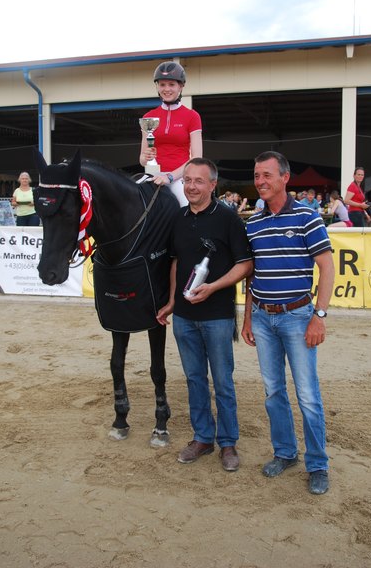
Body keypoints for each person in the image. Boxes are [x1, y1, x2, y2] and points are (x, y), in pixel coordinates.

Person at [241, 151, 335, 495]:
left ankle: (318, 463)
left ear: (285, 178)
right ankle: (285, 453)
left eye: (267, 175)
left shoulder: (308, 218)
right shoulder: (253, 223)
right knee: (273, 392)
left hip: (298, 317)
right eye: (256, 176)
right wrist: (249, 317)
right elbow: (252, 275)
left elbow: (327, 267)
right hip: (264, 319)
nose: (260, 181)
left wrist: (319, 316)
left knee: (308, 395)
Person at [157, 158, 252, 472]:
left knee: (223, 382)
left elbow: (245, 264)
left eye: (198, 181)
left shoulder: (228, 219)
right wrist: (172, 302)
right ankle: (202, 438)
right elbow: (174, 262)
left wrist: (212, 287)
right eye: (187, 180)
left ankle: (228, 443)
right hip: (183, 317)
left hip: (218, 316)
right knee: (195, 379)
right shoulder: (178, 219)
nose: (191, 186)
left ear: (213, 185)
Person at [139, 61, 202, 205]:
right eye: (162, 84)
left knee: (187, 207)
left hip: (178, 178)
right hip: (152, 176)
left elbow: (197, 157)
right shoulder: (148, 117)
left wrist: (170, 177)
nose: (166, 89)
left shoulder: (192, 116)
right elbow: (142, 159)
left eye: (171, 84)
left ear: (181, 86)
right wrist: (146, 157)